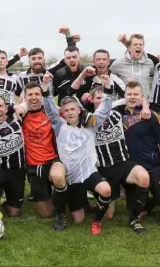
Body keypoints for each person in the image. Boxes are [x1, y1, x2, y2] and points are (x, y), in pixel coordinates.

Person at [70, 78, 152, 234]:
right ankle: (99, 205)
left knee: (143, 177)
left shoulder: (116, 110)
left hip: (123, 163)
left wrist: (145, 107)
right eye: (98, 98)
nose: (101, 101)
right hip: (104, 169)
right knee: (109, 215)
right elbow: (71, 97)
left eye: (104, 98)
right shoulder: (88, 119)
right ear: (92, 100)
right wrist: (82, 76)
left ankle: (133, 219)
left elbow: (136, 96)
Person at [41, 73, 113, 234]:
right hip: (71, 179)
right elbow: (50, 109)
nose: (70, 112)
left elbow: (104, 109)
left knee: (106, 190)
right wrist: (45, 88)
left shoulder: (90, 124)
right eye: (66, 110)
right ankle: (61, 207)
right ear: (63, 113)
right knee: (78, 219)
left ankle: (96, 222)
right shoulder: (59, 126)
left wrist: (108, 87)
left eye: (73, 109)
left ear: (79, 109)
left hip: (88, 174)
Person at [112, 81, 160, 220]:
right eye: (129, 94)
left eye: (136, 94)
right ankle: (151, 203)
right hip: (134, 173)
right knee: (137, 214)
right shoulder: (116, 115)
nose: (132, 97)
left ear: (142, 96)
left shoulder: (152, 116)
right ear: (124, 96)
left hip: (155, 170)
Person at [19, 81, 68, 231]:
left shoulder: (51, 112)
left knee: (58, 177)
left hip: (52, 159)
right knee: (46, 213)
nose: (34, 98)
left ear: (41, 96)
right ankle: (54, 197)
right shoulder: (20, 115)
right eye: (30, 94)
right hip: (33, 166)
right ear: (25, 97)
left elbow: (71, 112)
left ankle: (61, 215)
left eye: (37, 94)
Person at [109, 33, 157, 100]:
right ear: (128, 47)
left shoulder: (149, 63)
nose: (138, 46)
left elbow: (155, 78)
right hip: (125, 105)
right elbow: (108, 77)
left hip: (144, 105)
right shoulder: (118, 63)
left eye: (141, 44)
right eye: (135, 44)